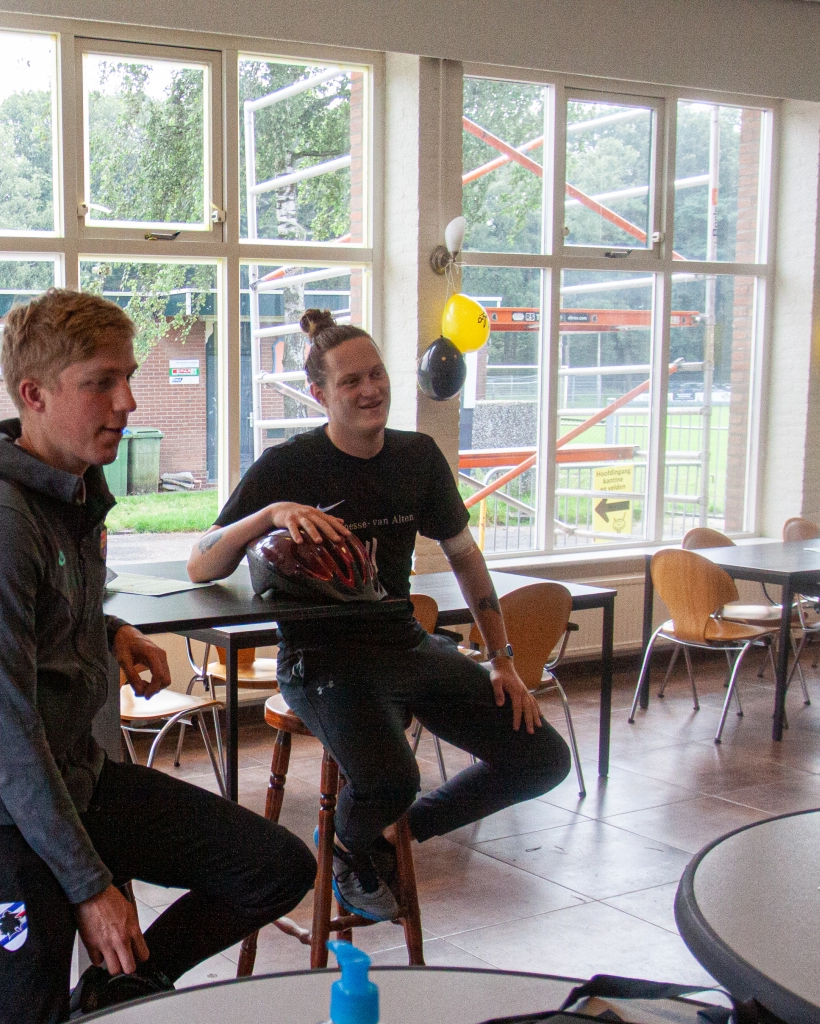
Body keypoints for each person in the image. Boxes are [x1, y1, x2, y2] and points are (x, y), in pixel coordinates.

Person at [0, 288, 316, 1024]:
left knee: (273, 867)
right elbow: (1, 731)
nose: (128, 401)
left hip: (63, 778)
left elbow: (42, 610)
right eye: (101, 382)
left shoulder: (73, 489)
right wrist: (90, 886)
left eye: (129, 377)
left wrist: (110, 630)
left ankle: (111, 1001)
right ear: (34, 395)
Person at [188, 310, 571, 922]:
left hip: (406, 645)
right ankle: (354, 839)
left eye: (377, 374)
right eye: (350, 381)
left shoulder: (417, 456)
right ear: (320, 394)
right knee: (392, 779)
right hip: (322, 659)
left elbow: (466, 557)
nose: (370, 390)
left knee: (543, 758)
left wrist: (502, 661)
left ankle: (382, 837)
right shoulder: (289, 465)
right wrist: (271, 514)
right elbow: (200, 565)